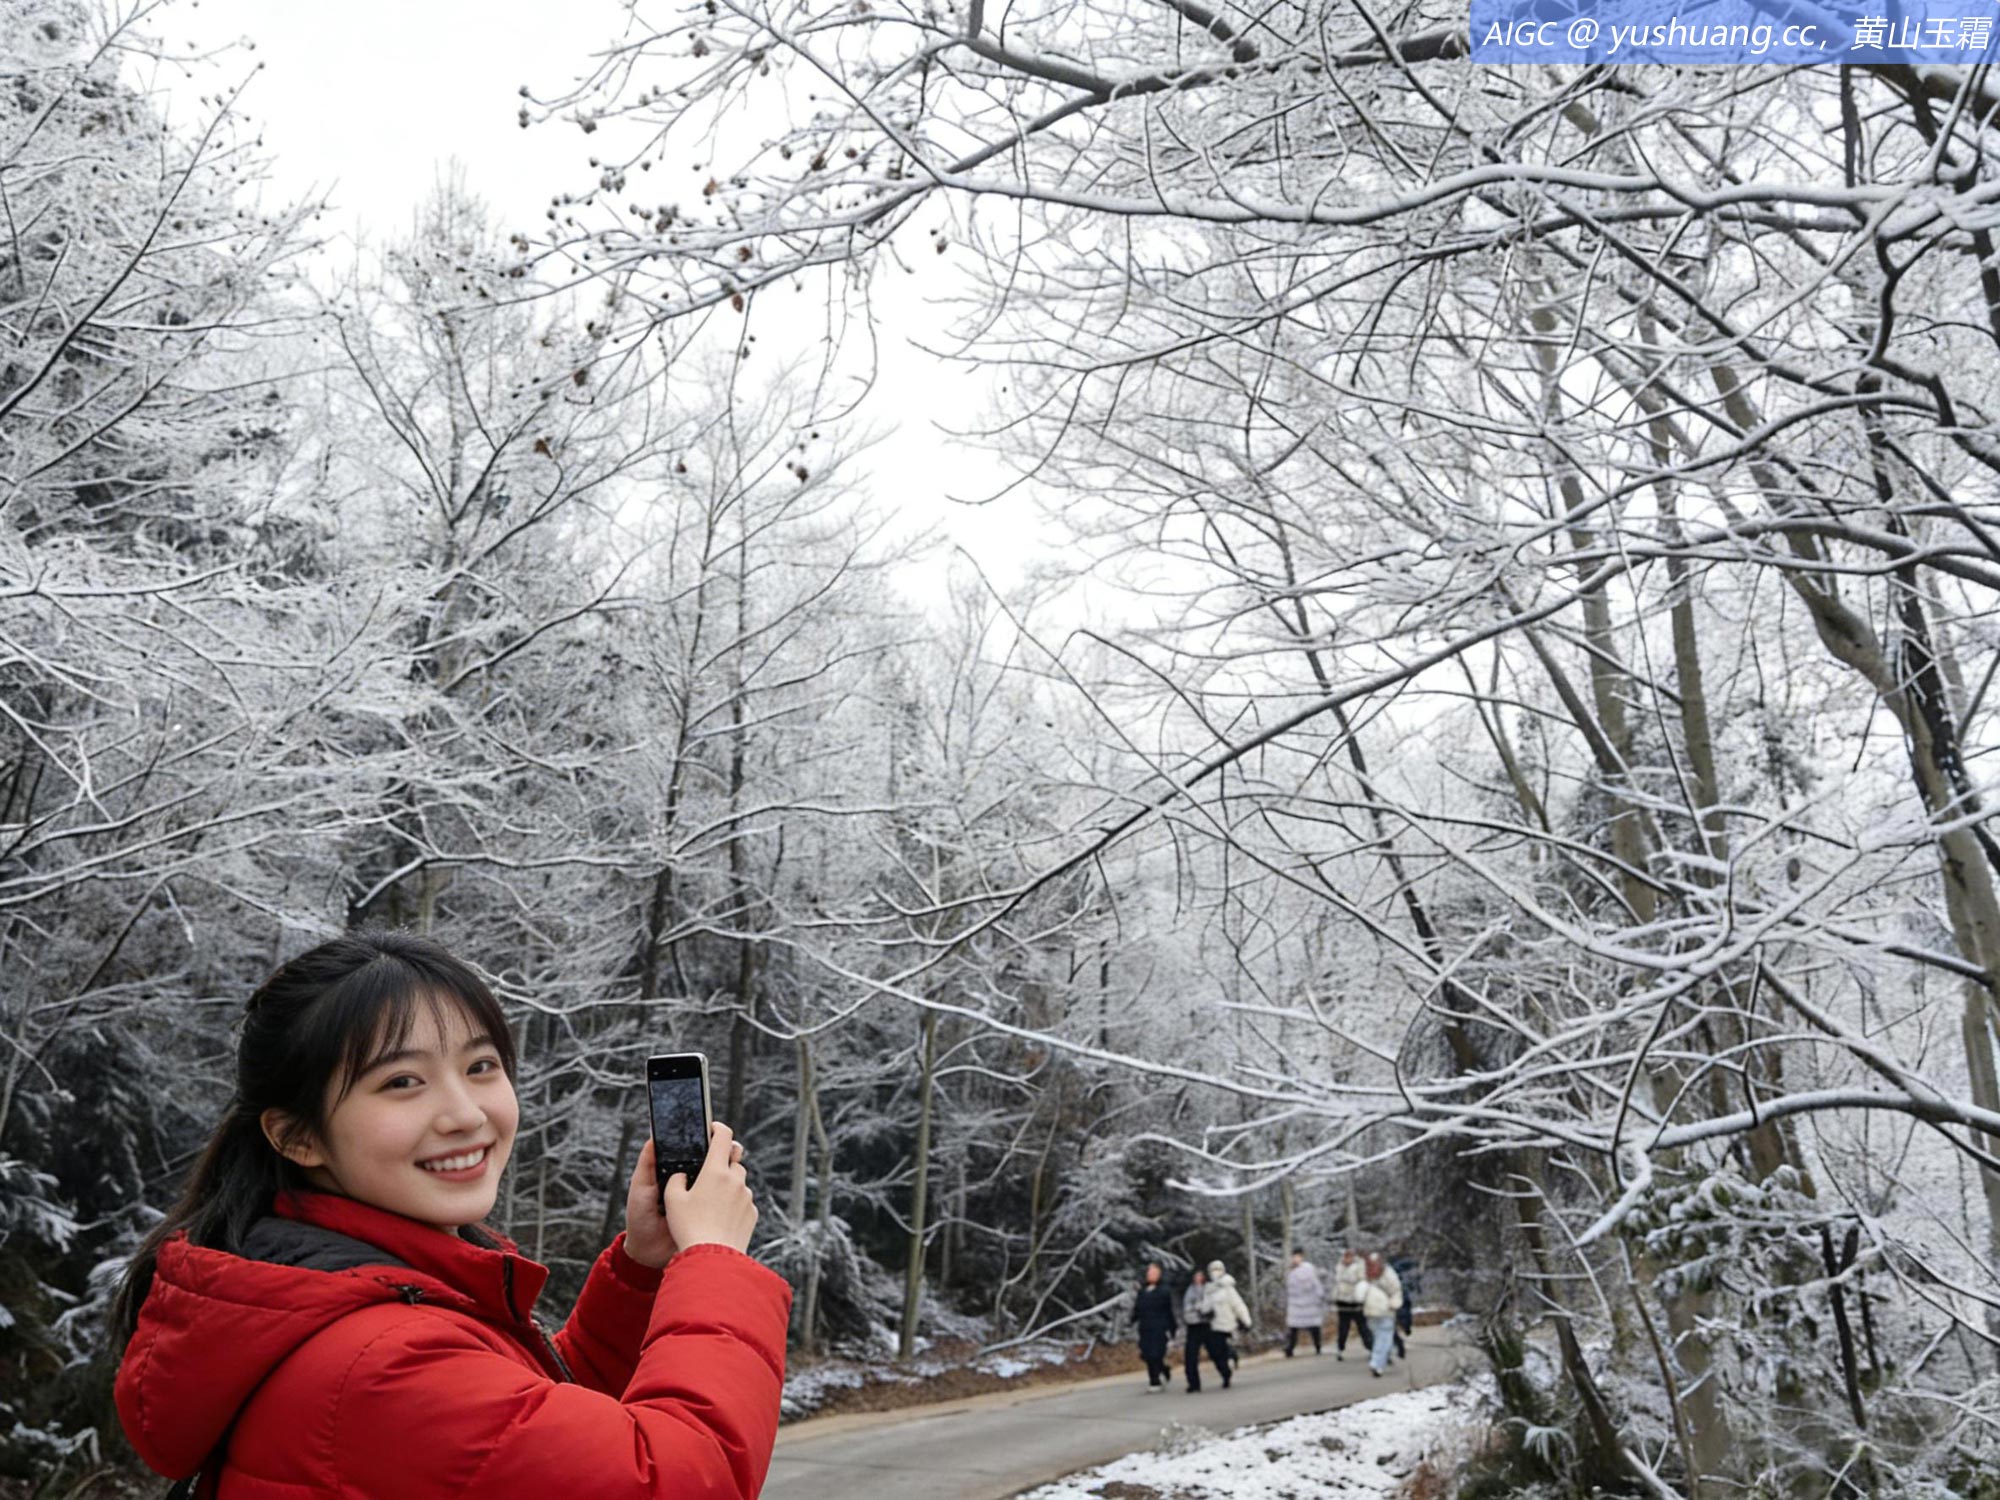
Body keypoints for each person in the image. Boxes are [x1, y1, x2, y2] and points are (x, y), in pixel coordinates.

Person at [111, 930, 790, 1499]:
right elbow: (679, 1480)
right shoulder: (379, 1366)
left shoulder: (349, 1296)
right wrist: (716, 1264)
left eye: (482, 1065)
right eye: (401, 1081)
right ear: (297, 1136)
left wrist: (646, 1271)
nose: (465, 1114)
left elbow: (530, 1427)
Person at [1202, 1258, 1254, 1389]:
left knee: (1223, 1349)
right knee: (1215, 1353)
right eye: (1213, 1270)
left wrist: (1246, 1321)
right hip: (1213, 1325)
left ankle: (1227, 1372)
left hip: (1228, 1324)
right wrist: (1206, 1311)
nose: (1215, 1272)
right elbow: (1204, 1305)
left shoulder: (1228, 1288)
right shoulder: (1208, 1289)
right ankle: (1224, 1371)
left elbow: (1238, 1305)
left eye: (1218, 1269)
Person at [1131, 1261, 1178, 1391]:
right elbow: (1138, 1308)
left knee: (1156, 1354)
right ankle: (1160, 1373)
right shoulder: (1142, 1292)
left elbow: (1169, 1311)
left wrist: (1172, 1329)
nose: (1151, 1275)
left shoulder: (1164, 1291)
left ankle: (1155, 1380)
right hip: (1145, 1327)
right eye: (1149, 1272)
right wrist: (1133, 1318)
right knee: (1146, 1354)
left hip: (1159, 1327)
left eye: (1154, 1273)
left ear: (1159, 1275)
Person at [1360, 1253, 1403, 1378]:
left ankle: (1377, 1364)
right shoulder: (1367, 1276)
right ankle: (1387, 1353)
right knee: (1379, 1337)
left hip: (1386, 1312)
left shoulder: (1389, 1275)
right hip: (1371, 1312)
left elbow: (1396, 1290)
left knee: (1383, 1337)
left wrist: (1393, 1304)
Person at [1283, 1248, 1327, 1356]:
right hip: (1295, 1303)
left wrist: (1319, 1296)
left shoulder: (1308, 1269)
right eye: (1293, 1257)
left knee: (1313, 1326)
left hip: (1309, 1302)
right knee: (1293, 1327)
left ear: (1302, 1257)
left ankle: (1318, 1346)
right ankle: (1290, 1348)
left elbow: (1315, 1283)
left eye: (1297, 1256)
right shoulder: (1291, 1270)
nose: (1295, 1259)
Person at [1332, 1248, 1372, 1359]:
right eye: (1346, 1256)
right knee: (1343, 1327)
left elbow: (1361, 1281)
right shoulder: (1339, 1266)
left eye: (1349, 1256)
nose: (1347, 1258)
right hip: (1342, 1301)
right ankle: (1340, 1349)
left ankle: (1371, 1348)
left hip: (1355, 1300)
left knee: (1362, 1326)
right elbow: (1338, 1281)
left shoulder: (1359, 1266)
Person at [1182, 1267, 1212, 1392]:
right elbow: (1186, 1308)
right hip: (1193, 1325)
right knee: (1190, 1355)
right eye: (1196, 1276)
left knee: (1216, 1352)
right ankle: (1193, 1383)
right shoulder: (1189, 1291)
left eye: (1200, 1276)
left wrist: (1204, 1309)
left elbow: (1211, 1305)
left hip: (1207, 1325)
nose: (1198, 1279)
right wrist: (1196, 1308)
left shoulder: (1209, 1289)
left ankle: (1226, 1368)